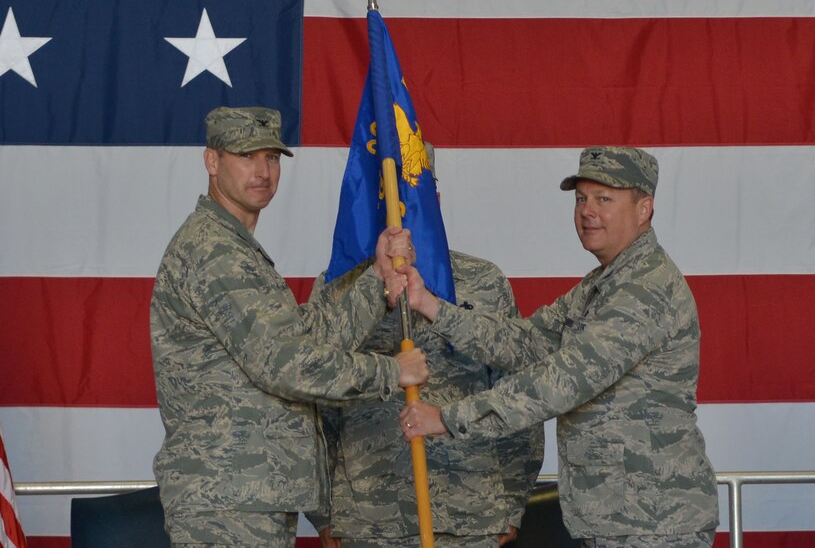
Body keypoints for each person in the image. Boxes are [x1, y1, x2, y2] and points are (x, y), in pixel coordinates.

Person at [398, 147, 719, 548]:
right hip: (617, 519)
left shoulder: (645, 288)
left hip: (655, 522)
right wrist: (430, 306)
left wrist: (448, 418)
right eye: (581, 198)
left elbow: (562, 380)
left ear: (644, 209)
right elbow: (526, 342)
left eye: (605, 199)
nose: (587, 211)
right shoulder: (603, 285)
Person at [150, 106, 428, 548]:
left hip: (249, 493)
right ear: (212, 162)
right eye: (246, 156)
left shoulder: (235, 247)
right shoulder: (213, 252)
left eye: (272, 158)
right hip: (228, 500)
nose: (262, 171)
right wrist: (392, 372)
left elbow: (302, 337)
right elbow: (286, 365)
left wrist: (376, 281)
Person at [308, 144, 544, 548]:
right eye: (391, 193)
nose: (403, 205)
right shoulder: (339, 288)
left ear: (433, 196)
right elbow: (313, 405)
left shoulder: (483, 281)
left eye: (414, 190)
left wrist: (512, 501)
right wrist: (325, 512)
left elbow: (518, 391)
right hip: (369, 518)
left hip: (472, 512)